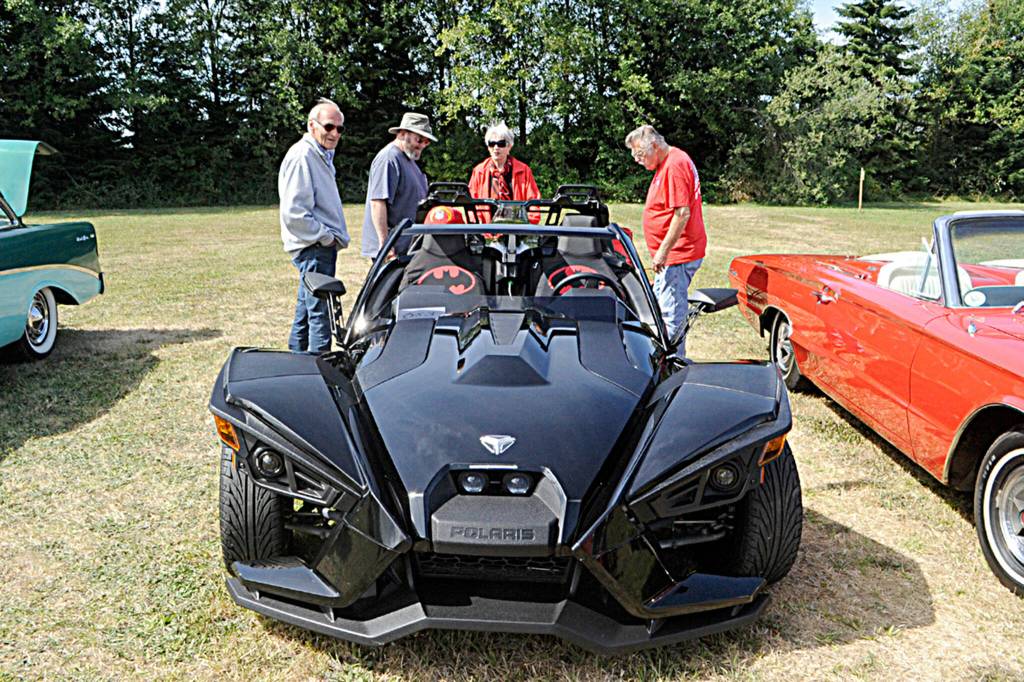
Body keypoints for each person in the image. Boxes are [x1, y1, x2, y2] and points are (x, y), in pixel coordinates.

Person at [624, 124, 706, 353]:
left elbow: (682, 214)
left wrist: (663, 252)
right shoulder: (667, 163)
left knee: (670, 318)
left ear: (655, 146)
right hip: (674, 256)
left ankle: (672, 366)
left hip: (677, 256)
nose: (637, 160)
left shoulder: (674, 166)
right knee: (663, 308)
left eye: (640, 154)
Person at [278, 98, 349, 353]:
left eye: (340, 129)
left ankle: (296, 366)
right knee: (320, 315)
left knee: (306, 314)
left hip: (318, 248)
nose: (335, 134)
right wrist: (325, 237)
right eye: (329, 127)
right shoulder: (303, 156)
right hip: (314, 248)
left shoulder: (320, 155)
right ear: (312, 125)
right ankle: (317, 373)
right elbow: (294, 213)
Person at [361, 112, 437, 259]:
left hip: (408, 249)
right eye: (419, 139)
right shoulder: (389, 158)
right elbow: (378, 203)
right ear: (402, 134)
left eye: (426, 142)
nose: (422, 145)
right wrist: (385, 245)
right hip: (393, 251)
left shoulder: (410, 161)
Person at [468, 122, 540, 203]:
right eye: (492, 144)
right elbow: (471, 205)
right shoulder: (478, 171)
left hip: (517, 215)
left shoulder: (524, 171)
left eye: (501, 144)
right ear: (488, 147)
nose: (496, 147)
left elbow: (534, 203)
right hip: (485, 216)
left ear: (509, 146)